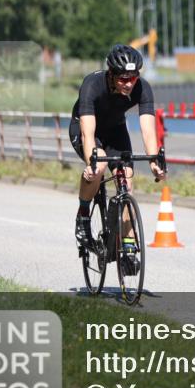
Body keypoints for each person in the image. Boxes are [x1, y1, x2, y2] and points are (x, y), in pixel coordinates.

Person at [69, 44, 165, 251]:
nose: (129, 84)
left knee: (127, 182)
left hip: (115, 130)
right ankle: (83, 215)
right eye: (123, 79)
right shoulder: (92, 84)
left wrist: (154, 161)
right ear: (111, 74)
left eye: (133, 78)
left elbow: (148, 131)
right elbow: (87, 133)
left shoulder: (143, 88)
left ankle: (128, 241)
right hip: (87, 129)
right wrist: (91, 163)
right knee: (99, 167)